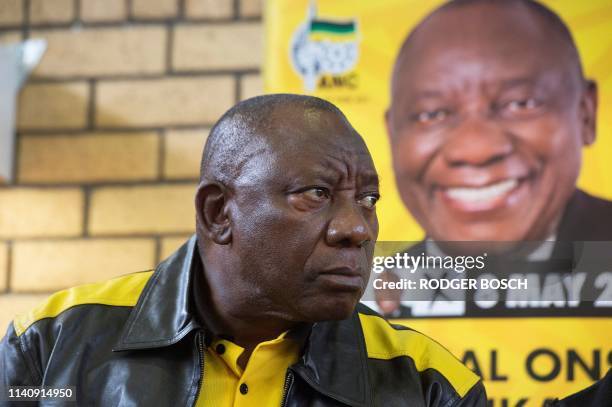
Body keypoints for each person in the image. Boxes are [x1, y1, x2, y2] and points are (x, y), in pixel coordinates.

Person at [0, 94, 486, 406]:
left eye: (367, 200)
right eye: (316, 193)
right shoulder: (52, 345)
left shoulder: (428, 385)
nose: (357, 228)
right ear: (218, 213)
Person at [378, 0, 612, 317]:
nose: (475, 150)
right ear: (392, 135)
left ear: (585, 114)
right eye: (431, 114)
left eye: (521, 104)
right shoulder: (365, 301)